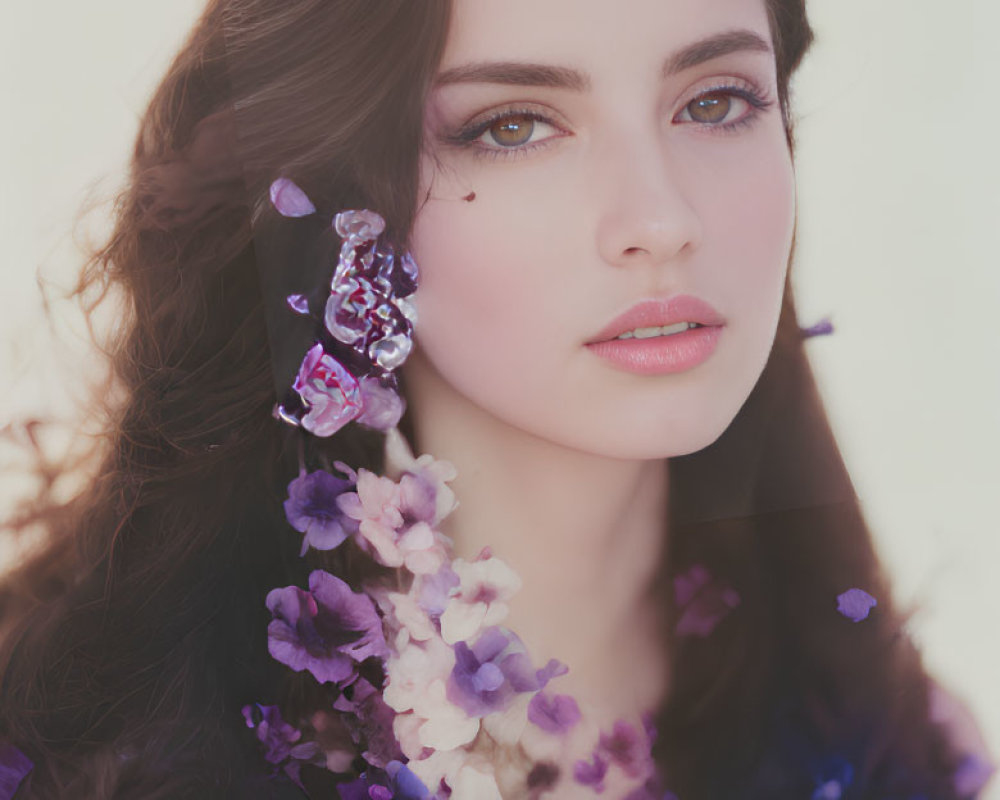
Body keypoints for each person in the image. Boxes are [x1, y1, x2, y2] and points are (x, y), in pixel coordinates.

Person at [0, 0, 993, 798]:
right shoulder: (90, 755)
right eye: (514, 126)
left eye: (715, 101)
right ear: (346, 191)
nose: (661, 217)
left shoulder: (906, 747)